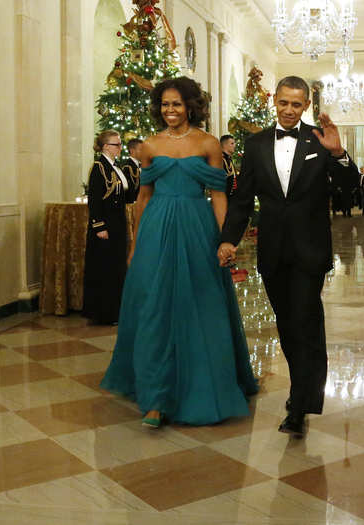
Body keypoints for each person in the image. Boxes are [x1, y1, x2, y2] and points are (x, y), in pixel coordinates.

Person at [100, 77, 258, 428]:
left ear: (190, 106)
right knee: (155, 307)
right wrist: (135, 243)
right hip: (156, 228)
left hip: (196, 226)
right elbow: (143, 198)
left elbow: (219, 197)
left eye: (177, 104)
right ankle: (155, 398)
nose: (170, 110)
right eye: (165, 104)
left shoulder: (209, 143)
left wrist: (225, 241)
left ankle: (203, 384)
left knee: (198, 304)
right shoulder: (150, 146)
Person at [218, 76, 358, 437]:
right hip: (273, 251)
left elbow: (349, 189)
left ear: (306, 106)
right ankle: (301, 390)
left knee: (305, 320)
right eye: (284, 103)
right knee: (286, 323)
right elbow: (242, 200)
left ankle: (301, 402)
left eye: (297, 104)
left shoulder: (319, 139)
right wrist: (229, 239)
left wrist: (339, 154)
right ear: (274, 102)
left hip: (310, 250)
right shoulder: (256, 143)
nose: (290, 110)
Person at [83, 130, 135, 324]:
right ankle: (104, 313)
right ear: (105, 146)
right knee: (105, 268)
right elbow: (95, 200)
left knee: (117, 266)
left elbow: (127, 194)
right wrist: (99, 226)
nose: (120, 148)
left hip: (118, 223)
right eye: (117, 144)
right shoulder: (99, 167)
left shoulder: (116, 167)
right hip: (106, 225)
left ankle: (117, 310)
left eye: (120, 144)